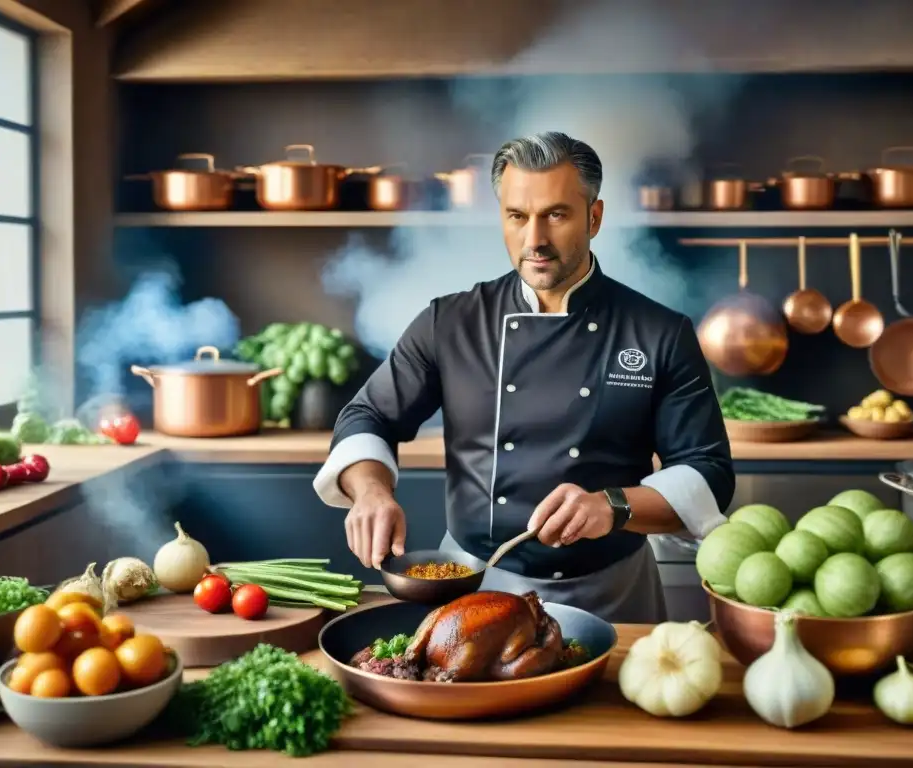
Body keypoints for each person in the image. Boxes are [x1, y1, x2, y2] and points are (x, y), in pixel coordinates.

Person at [314, 131, 735, 623]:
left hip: (611, 594)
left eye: (556, 214)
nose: (534, 239)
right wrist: (371, 492)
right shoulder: (450, 322)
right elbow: (369, 415)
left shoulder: (659, 332)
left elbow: (708, 471)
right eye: (518, 216)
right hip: (471, 589)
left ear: (593, 218)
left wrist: (614, 505)